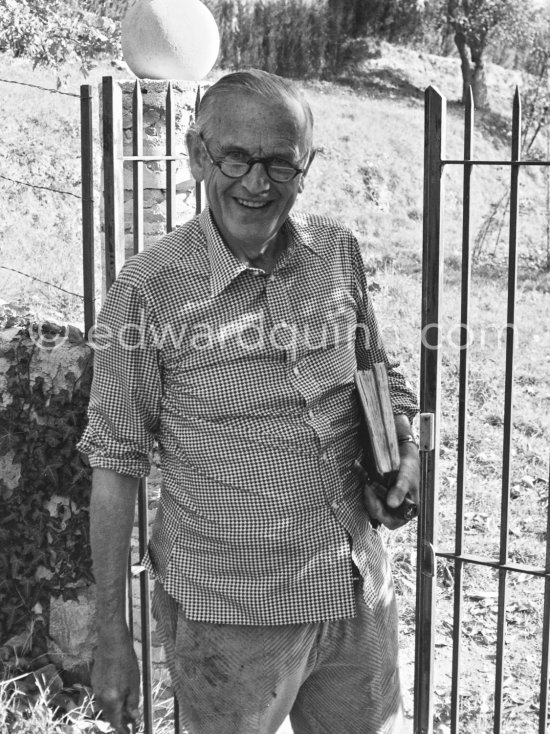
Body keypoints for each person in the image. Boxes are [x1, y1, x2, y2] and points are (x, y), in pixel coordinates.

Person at [78, 69, 419, 734]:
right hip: (229, 621)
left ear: (306, 166)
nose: (255, 183)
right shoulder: (149, 290)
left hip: (356, 593)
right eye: (235, 157)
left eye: (278, 162)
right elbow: (114, 467)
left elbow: (379, 375)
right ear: (197, 153)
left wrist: (403, 450)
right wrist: (112, 635)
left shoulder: (336, 254)